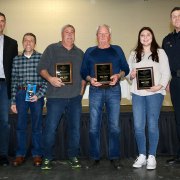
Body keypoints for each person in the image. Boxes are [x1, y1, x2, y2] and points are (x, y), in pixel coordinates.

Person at [80, 24, 129, 170]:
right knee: (94, 126)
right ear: (96, 36)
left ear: (109, 36)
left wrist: (118, 75)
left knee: (114, 126)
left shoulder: (117, 50)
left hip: (114, 90)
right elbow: (83, 72)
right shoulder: (89, 51)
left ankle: (114, 157)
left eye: (105, 33)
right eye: (100, 34)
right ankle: (94, 157)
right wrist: (90, 79)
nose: (102, 36)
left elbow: (125, 69)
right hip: (95, 91)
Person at [37, 24, 86, 170]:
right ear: (62, 34)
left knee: (75, 129)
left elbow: (85, 73)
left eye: (72, 32)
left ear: (75, 35)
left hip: (75, 98)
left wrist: (82, 89)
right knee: (51, 128)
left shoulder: (80, 53)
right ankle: (47, 157)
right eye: (67, 32)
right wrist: (50, 79)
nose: (69, 34)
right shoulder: (52, 49)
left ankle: (73, 156)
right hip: (55, 98)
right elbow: (41, 68)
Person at [128, 27, 171, 170]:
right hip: (137, 94)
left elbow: (166, 73)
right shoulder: (133, 54)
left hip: (155, 94)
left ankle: (151, 156)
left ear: (152, 37)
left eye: (148, 35)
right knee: (138, 126)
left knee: (152, 125)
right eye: (142, 35)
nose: (145, 37)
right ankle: (142, 155)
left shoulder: (160, 52)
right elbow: (128, 75)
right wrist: (131, 75)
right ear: (139, 38)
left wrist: (160, 86)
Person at [11, 33, 47, 167]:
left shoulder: (41, 57)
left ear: (35, 43)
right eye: (26, 40)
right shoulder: (16, 59)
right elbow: (14, 81)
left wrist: (40, 94)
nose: (28, 43)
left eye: (31, 41)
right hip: (21, 94)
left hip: (36, 94)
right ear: (22, 42)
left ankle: (37, 154)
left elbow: (46, 80)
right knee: (21, 126)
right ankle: (20, 154)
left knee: (37, 125)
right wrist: (13, 101)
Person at [162, 7, 180, 164]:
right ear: (170, 20)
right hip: (175, 83)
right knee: (178, 119)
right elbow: (164, 65)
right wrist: (167, 81)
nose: (177, 19)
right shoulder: (167, 40)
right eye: (174, 16)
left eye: (179, 16)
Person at [0, 12, 18, 166]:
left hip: (4, 85)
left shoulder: (12, 43)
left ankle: (3, 155)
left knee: (4, 121)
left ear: (5, 23)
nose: (0, 23)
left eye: (2, 21)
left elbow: (14, 68)